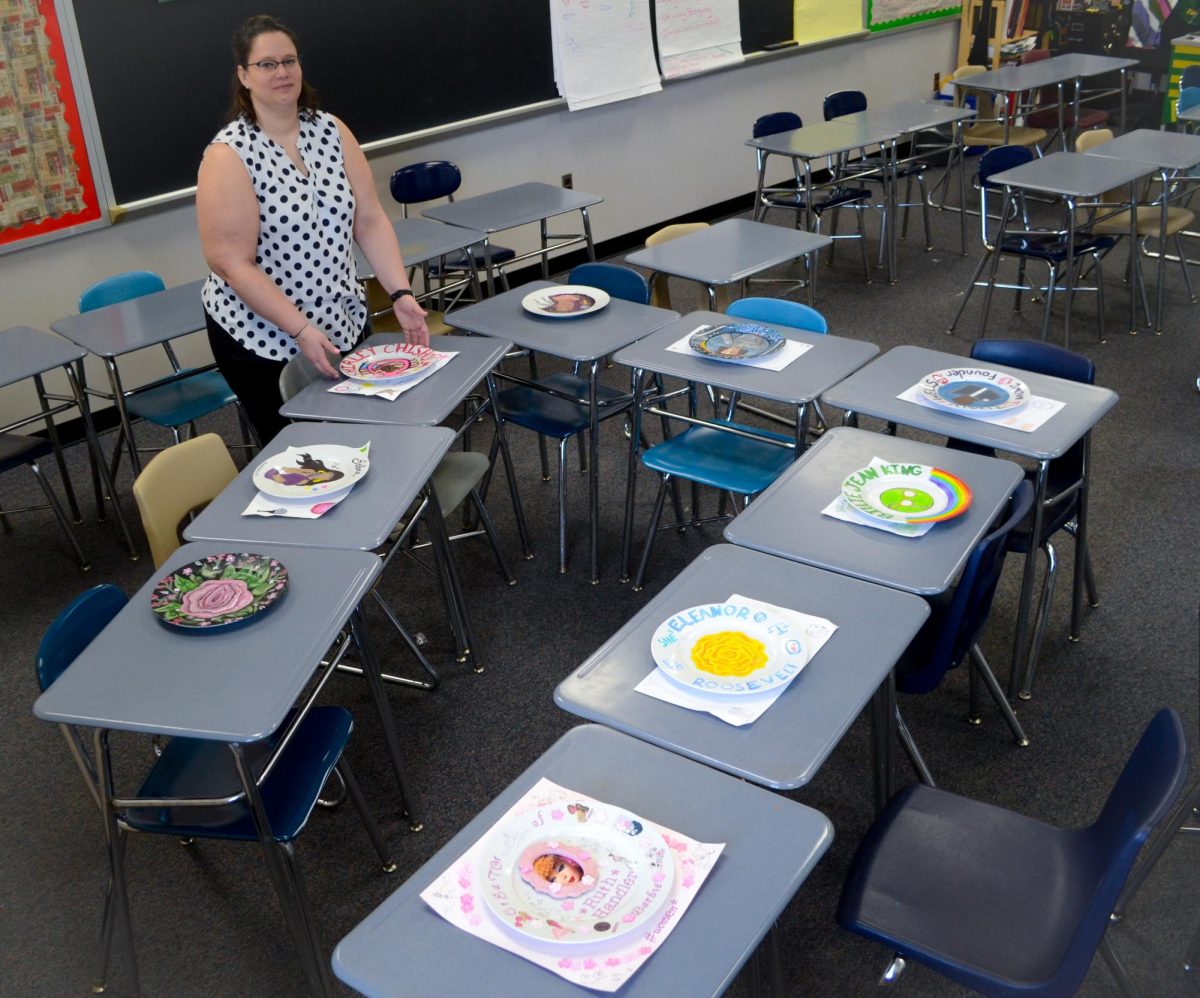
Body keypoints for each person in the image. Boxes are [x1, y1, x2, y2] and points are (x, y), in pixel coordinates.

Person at [197, 14, 429, 443]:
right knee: (303, 452)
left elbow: (370, 219)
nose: (282, 72)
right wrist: (300, 329)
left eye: (290, 60)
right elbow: (232, 263)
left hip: (341, 317)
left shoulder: (332, 130)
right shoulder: (229, 155)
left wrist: (400, 293)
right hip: (262, 337)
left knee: (359, 434)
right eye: (267, 64)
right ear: (244, 75)